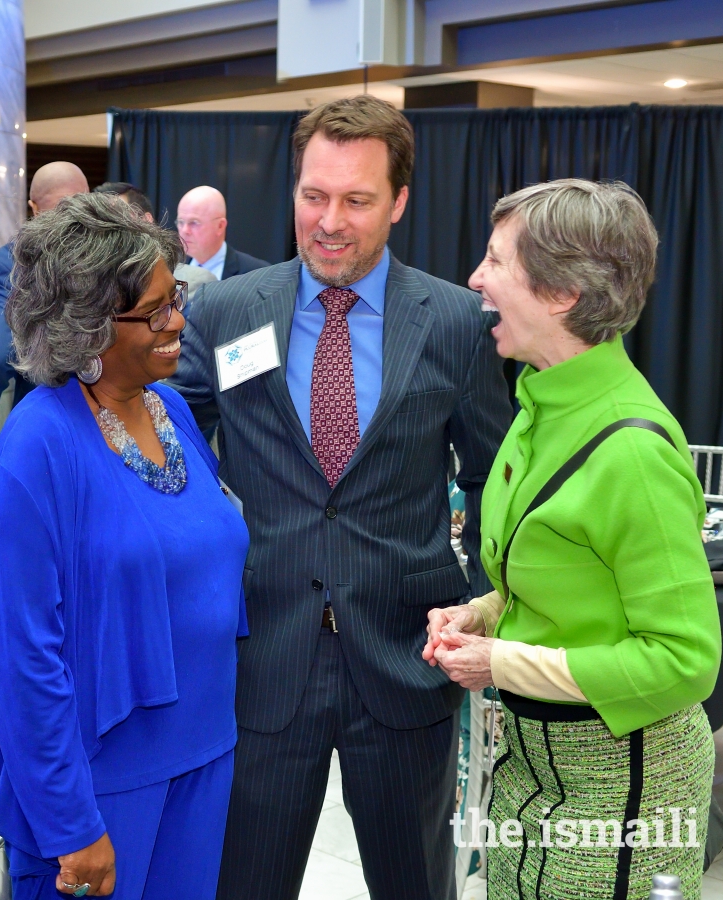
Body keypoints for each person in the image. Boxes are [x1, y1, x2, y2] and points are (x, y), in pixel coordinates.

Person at [168, 95, 513, 900]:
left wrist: (483, 603)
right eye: (313, 195)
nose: (330, 221)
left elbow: (492, 474)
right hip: (262, 658)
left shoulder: (457, 322)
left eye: (357, 200)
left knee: (415, 883)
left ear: (397, 202)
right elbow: (167, 442)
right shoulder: (223, 313)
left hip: (405, 660)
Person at [425, 179, 721, 897]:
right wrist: (483, 614)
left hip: (624, 783)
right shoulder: (540, 403)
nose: (475, 279)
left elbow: (685, 661)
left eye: (496, 260)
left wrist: (503, 663)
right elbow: (557, 572)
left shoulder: (632, 450)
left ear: (561, 294)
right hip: (532, 764)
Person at [0, 192, 249, 899]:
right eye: (155, 310)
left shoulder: (174, 408)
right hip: (99, 789)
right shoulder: (36, 447)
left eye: (175, 296)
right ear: (87, 328)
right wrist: (71, 824)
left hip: (203, 755)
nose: (177, 320)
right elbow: (23, 657)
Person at [0, 161, 89, 434]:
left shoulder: (13, 263)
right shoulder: (122, 249)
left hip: (52, 420)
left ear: (34, 207)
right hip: (126, 409)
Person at [176, 185, 268, 281]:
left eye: (194, 223)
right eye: (181, 222)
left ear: (220, 226)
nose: (184, 230)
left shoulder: (255, 273)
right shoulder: (171, 269)